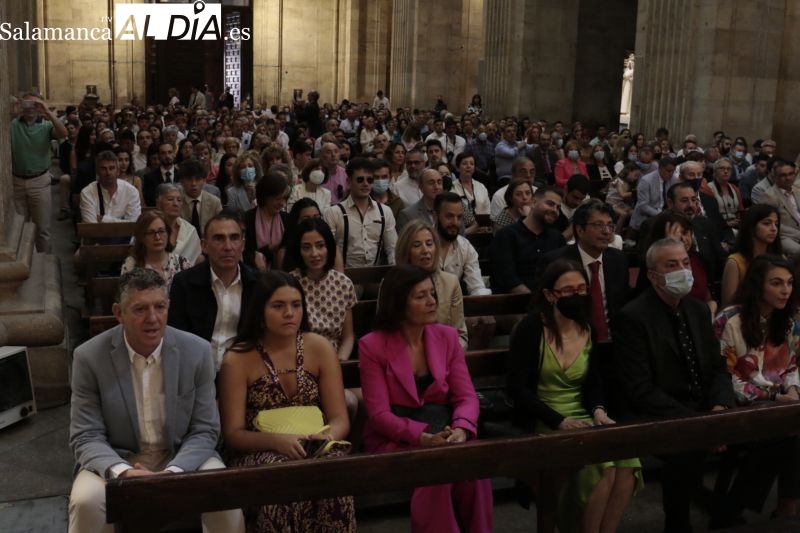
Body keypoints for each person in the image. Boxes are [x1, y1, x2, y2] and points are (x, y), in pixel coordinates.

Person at [68, 268, 245, 533]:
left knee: (224, 494)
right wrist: (122, 472)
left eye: (160, 307)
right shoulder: (89, 357)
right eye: (140, 309)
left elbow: (205, 429)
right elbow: (85, 435)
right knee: (85, 501)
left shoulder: (196, 351)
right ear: (119, 313)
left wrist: (173, 473)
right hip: (118, 458)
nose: (153, 318)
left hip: (181, 455)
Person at [508, 259, 641, 533]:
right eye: (568, 291)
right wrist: (559, 420)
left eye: (582, 289)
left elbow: (593, 382)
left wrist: (599, 410)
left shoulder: (587, 328)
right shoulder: (531, 329)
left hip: (581, 413)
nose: (577, 295)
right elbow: (517, 389)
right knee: (602, 466)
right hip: (544, 415)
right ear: (549, 295)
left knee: (628, 463)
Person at [358, 264, 493, 533]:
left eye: (432, 294)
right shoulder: (371, 345)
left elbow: (466, 396)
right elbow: (379, 415)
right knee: (435, 475)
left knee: (474, 470)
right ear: (398, 302)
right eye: (420, 296)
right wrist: (423, 438)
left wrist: (462, 429)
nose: (432, 302)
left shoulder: (447, 336)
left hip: (444, 428)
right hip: (396, 438)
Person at [218, 271, 355, 532]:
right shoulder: (237, 358)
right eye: (278, 306)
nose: (289, 313)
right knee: (280, 478)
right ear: (260, 310)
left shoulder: (319, 346)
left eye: (296, 305)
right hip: (260, 449)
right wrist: (278, 442)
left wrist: (325, 436)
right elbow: (233, 434)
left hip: (314, 442)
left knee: (335, 471)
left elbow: (339, 418)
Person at [615, 238, 736, 532]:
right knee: (685, 449)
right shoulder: (633, 317)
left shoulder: (696, 310)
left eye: (685, 263)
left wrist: (719, 408)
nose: (683, 270)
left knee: (769, 437)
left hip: (703, 407)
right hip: (660, 411)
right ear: (653, 275)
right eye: (672, 265)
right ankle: (678, 524)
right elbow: (640, 389)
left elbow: (718, 367)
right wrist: (699, 424)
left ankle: (730, 513)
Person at [713, 254, 800, 523]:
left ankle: (783, 507)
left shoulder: (787, 320)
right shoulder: (729, 320)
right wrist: (775, 396)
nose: (785, 290)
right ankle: (734, 510)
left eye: (789, 283)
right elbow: (725, 378)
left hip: (781, 400)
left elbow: (793, 366)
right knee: (787, 433)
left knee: (791, 428)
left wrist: (794, 391)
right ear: (758, 286)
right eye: (776, 283)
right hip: (737, 401)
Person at [168, 214, 260, 369]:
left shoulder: (257, 284)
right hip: (195, 371)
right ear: (204, 246)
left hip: (243, 371)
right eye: (219, 238)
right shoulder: (184, 283)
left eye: (234, 238)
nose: (228, 247)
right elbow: (177, 337)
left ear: (243, 245)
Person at [287, 218, 356, 361]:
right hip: (298, 358)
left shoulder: (343, 283)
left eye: (320, 246)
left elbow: (348, 337)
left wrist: (339, 362)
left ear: (329, 247)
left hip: (334, 358)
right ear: (299, 251)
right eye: (306, 247)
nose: (314, 254)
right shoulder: (290, 283)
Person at [396, 220, 469, 350]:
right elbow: (386, 333)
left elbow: (460, 335)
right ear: (406, 251)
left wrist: (446, 358)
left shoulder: (450, 282)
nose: (425, 250)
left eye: (429, 244)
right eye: (417, 245)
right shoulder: (392, 283)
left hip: (445, 356)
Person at [11, 93, 67, 252]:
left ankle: (44, 261)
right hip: (16, 181)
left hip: (39, 181)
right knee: (19, 229)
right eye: (27, 103)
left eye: (35, 104)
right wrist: (10, 114)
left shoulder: (46, 126)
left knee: (42, 228)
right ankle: (22, 264)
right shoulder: (13, 125)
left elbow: (63, 134)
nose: (30, 108)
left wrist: (48, 112)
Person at [490, 186, 566, 294]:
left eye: (558, 207)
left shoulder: (557, 238)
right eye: (550, 204)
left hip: (551, 301)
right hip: (515, 303)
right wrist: (535, 301)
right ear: (534, 203)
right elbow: (508, 279)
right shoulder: (506, 236)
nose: (555, 210)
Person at [324, 157, 398, 267]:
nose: (365, 184)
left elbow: (392, 248)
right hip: (343, 275)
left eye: (370, 180)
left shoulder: (385, 211)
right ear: (348, 182)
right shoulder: (333, 212)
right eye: (360, 180)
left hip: (375, 275)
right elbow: (328, 250)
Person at [720, 204, 782, 307]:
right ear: (751, 227)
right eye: (767, 223)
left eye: (776, 224)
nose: (774, 229)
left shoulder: (780, 258)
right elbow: (728, 305)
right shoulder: (735, 262)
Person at [121, 210, 190, 290]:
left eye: (161, 231)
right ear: (141, 237)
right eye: (151, 232)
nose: (157, 237)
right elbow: (126, 297)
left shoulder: (182, 263)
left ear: (168, 233)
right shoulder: (131, 264)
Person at [243, 170, 290, 267]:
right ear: (265, 197)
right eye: (278, 199)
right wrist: (270, 248)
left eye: (285, 198)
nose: (282, 203)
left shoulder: (287, 219)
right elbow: (245, 254)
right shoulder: (247, 219)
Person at [79, 150, 142, 223]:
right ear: (97, 172)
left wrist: (104, 219)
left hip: (126, 234)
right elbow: (92, 226)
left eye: (111, 168)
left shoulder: (131, 191)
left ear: (118, 171)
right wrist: (122, 221)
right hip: (96, 234)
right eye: (103, 169)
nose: (108, 173)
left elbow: (134, 224)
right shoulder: (87, 192)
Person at [155, 183, 202, 265]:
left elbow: (196, 257)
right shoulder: (150, 226)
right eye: (170, 199)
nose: (175, 204)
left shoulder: (189, 230)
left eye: (179, 200)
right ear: (159, 203)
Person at [178, 158, 223, 238]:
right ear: (181, 181)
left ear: (204, 180)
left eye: (198, 179)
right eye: (189, 179)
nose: (193, 184)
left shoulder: (215, 202)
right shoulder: (176, 201)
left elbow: (220, 229)